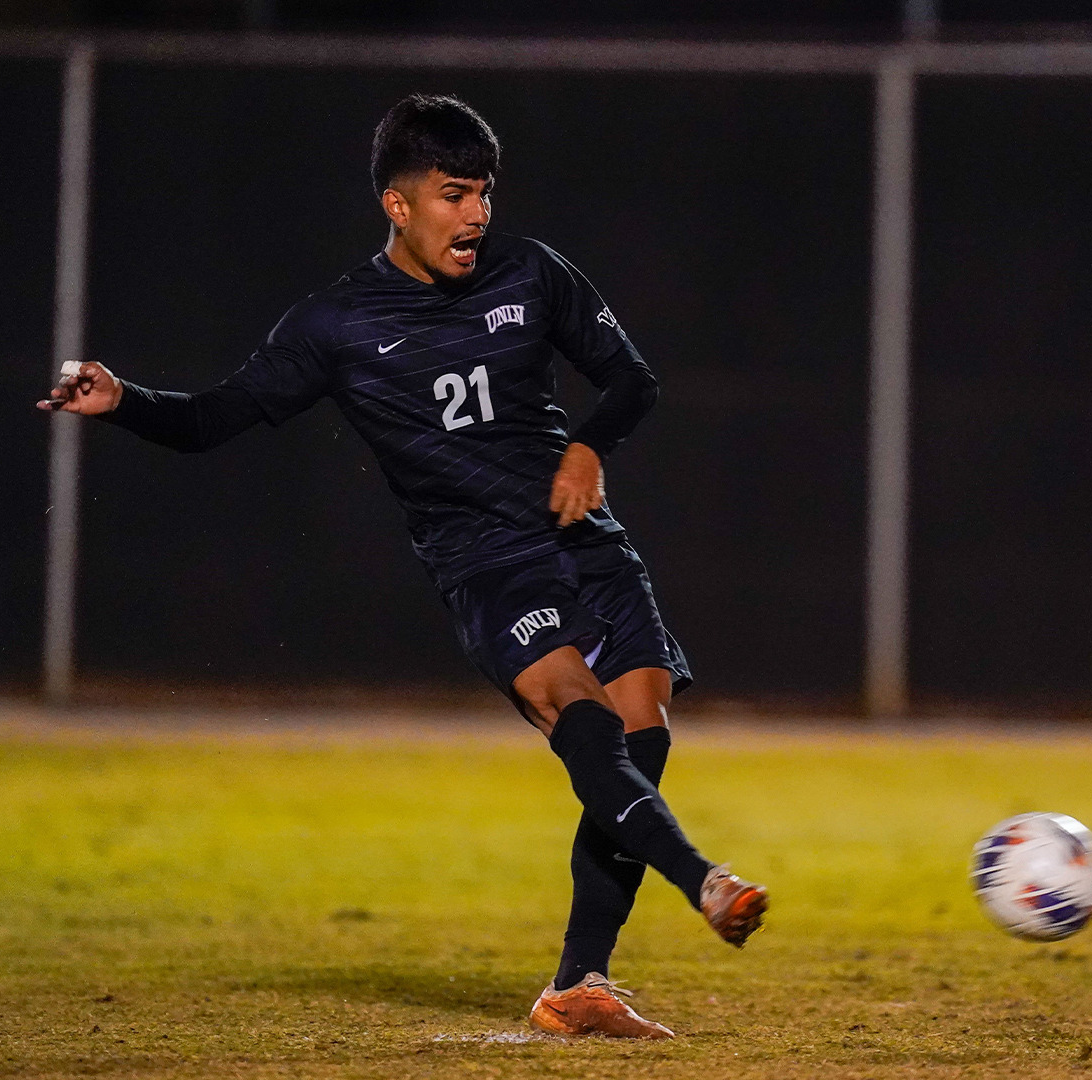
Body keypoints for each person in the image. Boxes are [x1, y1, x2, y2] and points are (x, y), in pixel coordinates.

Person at [38, 93, 766, 1040]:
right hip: (488, 565)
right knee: (579, 715)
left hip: (585, 539)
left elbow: (634, 379)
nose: (476, 216)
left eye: (484, 195)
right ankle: (703, 881)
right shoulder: (337, 324)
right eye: (454, 194)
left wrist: (588, 447)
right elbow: (217, 418)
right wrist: (125, 398)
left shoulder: (532, 273)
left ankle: (578, 985)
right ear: (397, 203)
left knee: (642, 737)